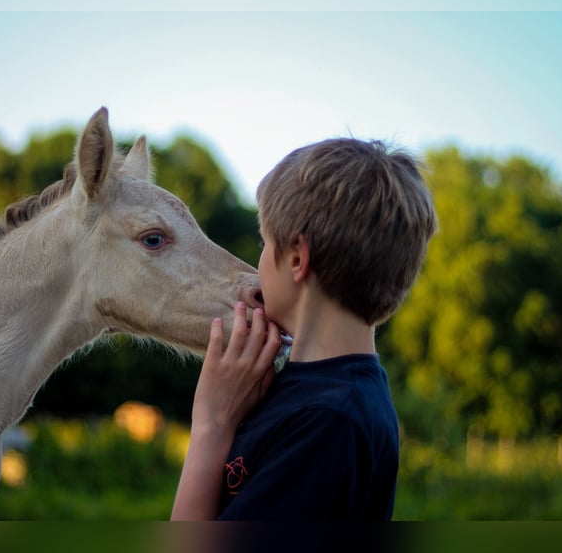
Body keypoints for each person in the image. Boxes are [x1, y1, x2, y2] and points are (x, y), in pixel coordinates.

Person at [170, 137, 438, 520]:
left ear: (297, 257)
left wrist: (211, 424)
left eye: (264, 243)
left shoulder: (329, 423)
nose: (256, 264)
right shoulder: (317, 396)